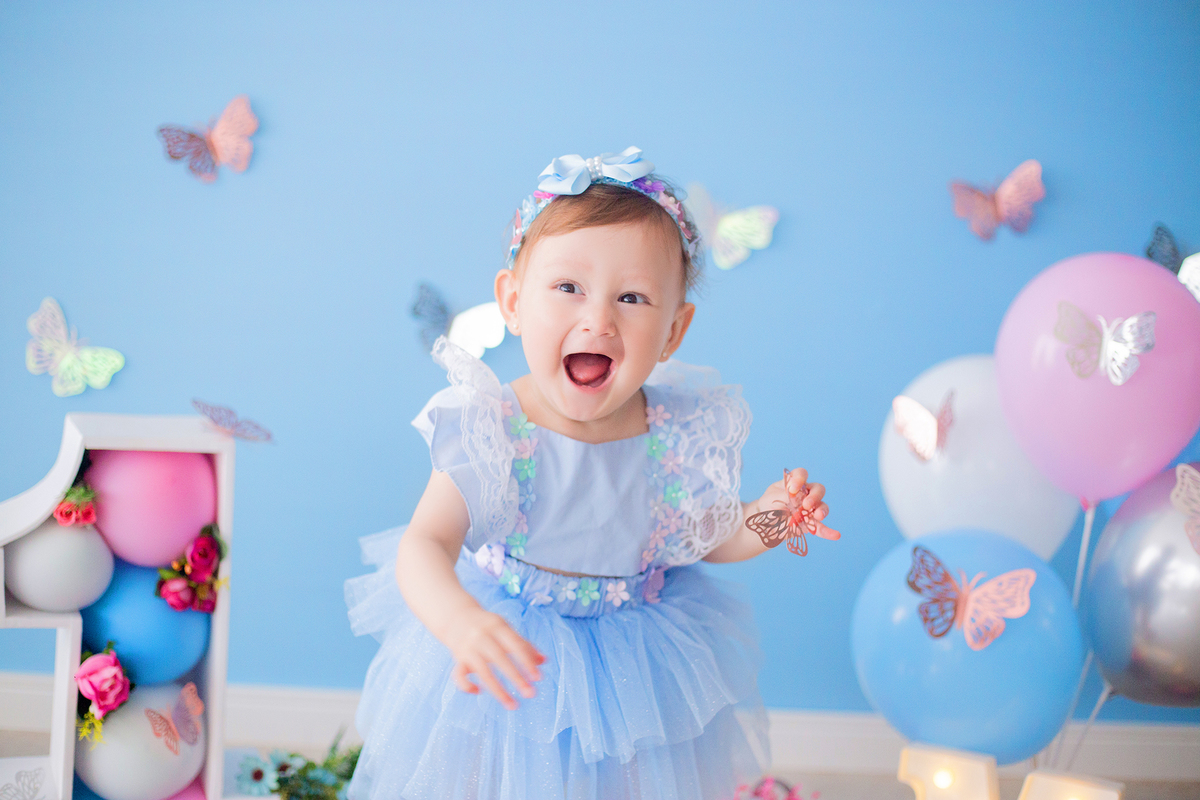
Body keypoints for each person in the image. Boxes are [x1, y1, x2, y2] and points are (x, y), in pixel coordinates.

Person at [345, 147, 840, 800]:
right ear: (513, 301)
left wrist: (773, 516)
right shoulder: (492, 426)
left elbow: (712, 538)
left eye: (632, 297)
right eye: (568, 288)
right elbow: (424, 544)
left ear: (673, 332)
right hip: (512, 657)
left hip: (636, 665)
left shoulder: (675, 435)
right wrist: (459, 622)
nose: (598, 319)